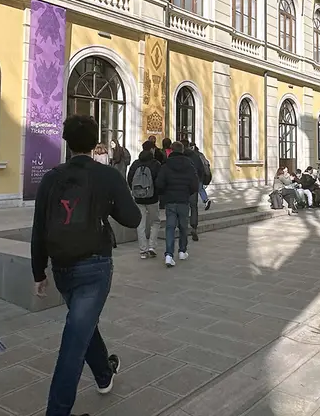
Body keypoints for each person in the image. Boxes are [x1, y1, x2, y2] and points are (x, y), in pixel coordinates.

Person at [31, 115, 141, 416]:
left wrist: (38, 272)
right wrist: (108, 206)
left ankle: (105, 374)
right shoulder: (107, 176)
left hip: (62, 266)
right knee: (73, 342)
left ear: (66, 142)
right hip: (95, 265)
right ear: (95, 144)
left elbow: (38, 227)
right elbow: (133, 218)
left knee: (82, 324)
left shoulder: (52, 177)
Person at [156, 142, 199, 267]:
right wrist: (187, 192)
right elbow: (195, 184)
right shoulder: (189, 165)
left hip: (170, 200)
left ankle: (169, 255)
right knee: (183, 226)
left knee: (170, 227)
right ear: (182, 150)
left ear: (171, 150)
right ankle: (182, 251)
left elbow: (159, 183)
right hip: (183, 200)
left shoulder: (165, 165)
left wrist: (165, 193)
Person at [128, 141, 161, 259]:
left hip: (138, 198)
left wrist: (135, 191)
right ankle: (152, 246)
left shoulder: (136, 163)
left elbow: (129, 178)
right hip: (152, 198)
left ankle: (143, 250)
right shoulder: (156, 164)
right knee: (155, 222)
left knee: (140, 224)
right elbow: (160, 181)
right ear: (152, 149)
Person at [180, 139, 205, 241]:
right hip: (193, 184)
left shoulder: (179, 157)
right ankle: (194, 227)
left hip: (181, 185)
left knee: (182, 207)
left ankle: (183, 227)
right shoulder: (195, 156)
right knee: (193, 206)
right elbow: (201, 169)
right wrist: (199, 181)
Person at [192, 142, 214, 211]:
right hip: (201, 175)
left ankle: (191, 204)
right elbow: (206, 164)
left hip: (195, 175)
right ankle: (206, 200)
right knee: (200, 189)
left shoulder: (193, 155)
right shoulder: (201, 154)